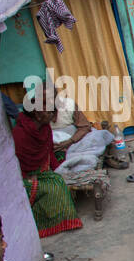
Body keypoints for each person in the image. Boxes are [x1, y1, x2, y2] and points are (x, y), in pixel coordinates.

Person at [11, 90, 83, 237]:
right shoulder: (20, 134)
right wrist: (28, 178)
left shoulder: (44, 128)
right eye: (49, 112)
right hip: (28, 175)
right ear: (37, 114)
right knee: (54, 187)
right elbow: (18, 161)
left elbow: (48, 150)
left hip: (42, 169)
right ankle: (46, 224)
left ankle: (65, 219)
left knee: (58, 177)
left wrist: (58, 169)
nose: (52, 115)